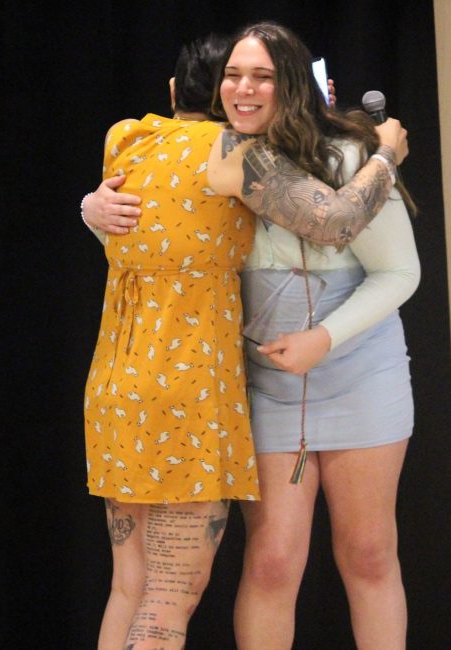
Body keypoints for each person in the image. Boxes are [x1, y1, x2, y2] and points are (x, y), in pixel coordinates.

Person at [82, 28, 409, 650]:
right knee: (223, 579)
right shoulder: (229, 154)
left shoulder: (132, 139)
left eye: (261, 77)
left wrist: (89, 209)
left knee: (366, 553)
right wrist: (386, 153)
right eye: (234, 75)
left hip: (345, 373)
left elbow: (397, 269)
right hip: (230, 383)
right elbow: (333, 220)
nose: (244, 89)